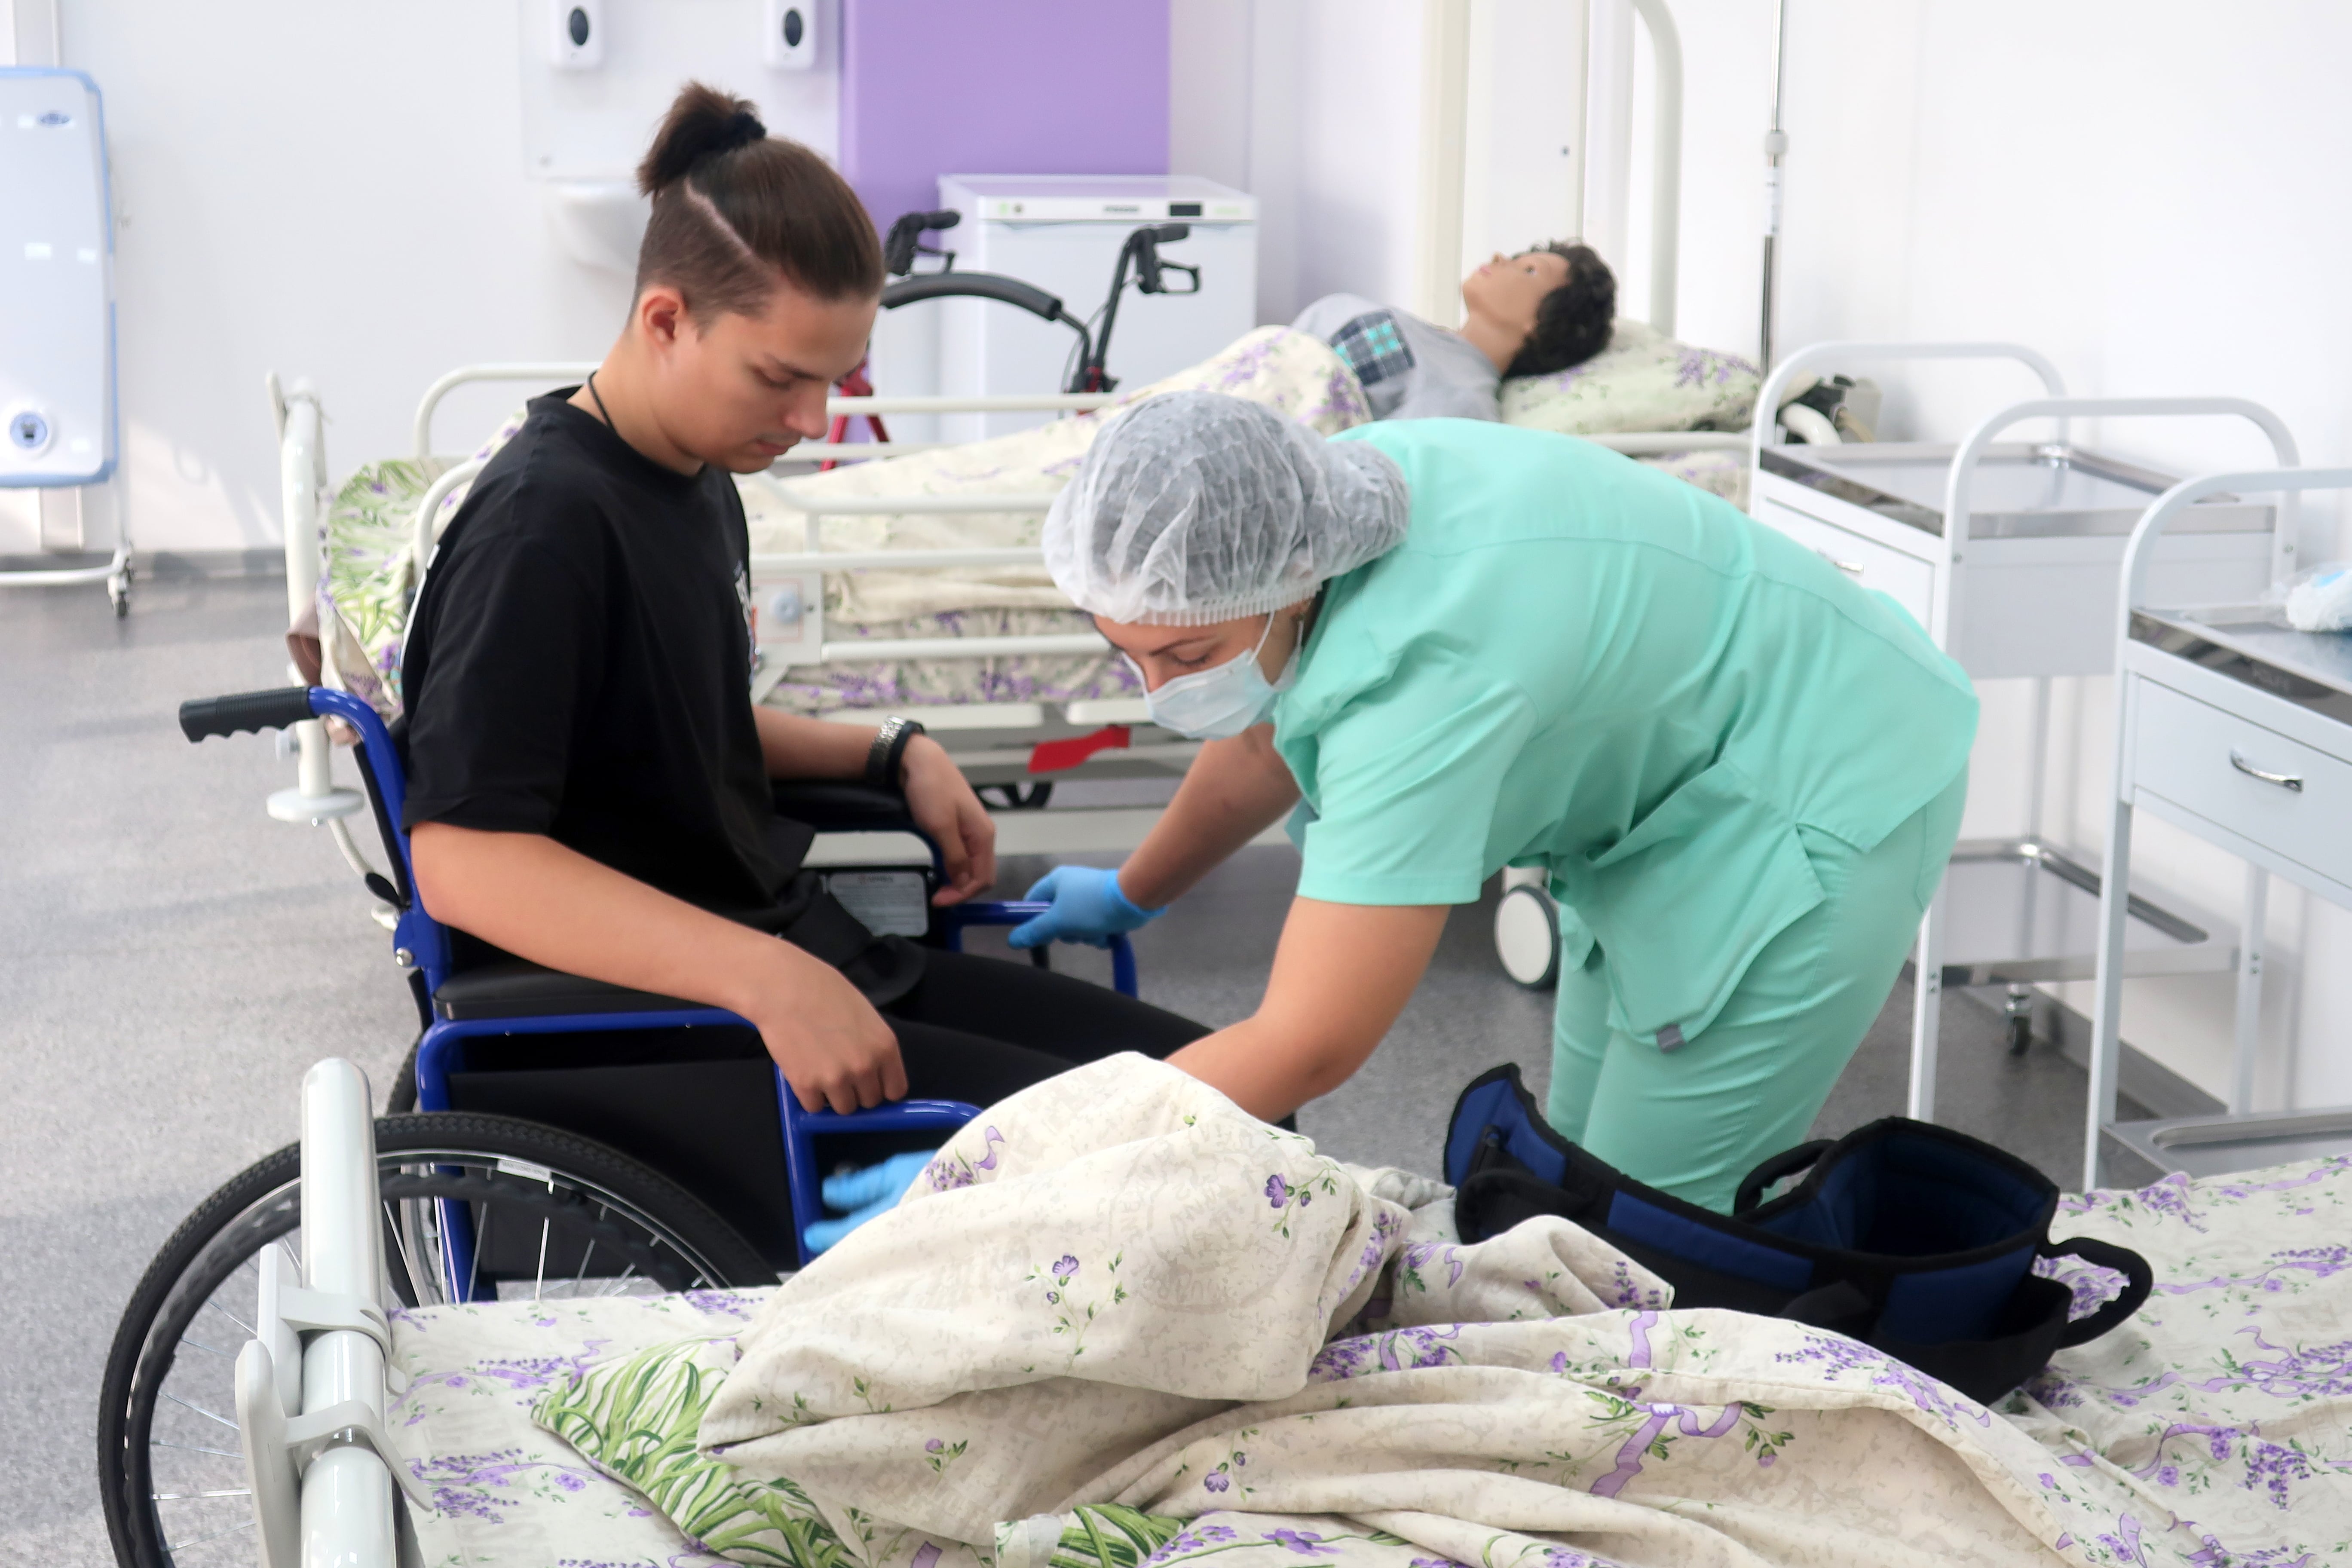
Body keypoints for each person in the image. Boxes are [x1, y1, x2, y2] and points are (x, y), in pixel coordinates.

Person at [398, 83, 1207, 1124]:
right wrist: (763, 979)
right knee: (1190, 1137)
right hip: (671, 1031)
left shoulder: (691, 481)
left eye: (833, 379)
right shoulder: (542, 527)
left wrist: (892, 749)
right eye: (781, 377)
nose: (814, 419)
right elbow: (465, 860)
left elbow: (683, 727)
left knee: (1225, 1092)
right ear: (665, 319)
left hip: (792, 957)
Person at [1008, 391, 1978, 1212]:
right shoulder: (1316, 504)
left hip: (1824, 781)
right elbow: (1266, 735)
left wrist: (1026, 1160)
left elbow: (1310, 1042)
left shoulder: (1423, 684)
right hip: (1670, 794)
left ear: (1292, 586)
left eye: (1187, 657)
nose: (1159, 693)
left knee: (1647, 1236)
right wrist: (1133, 891)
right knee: (1577, 1180)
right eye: (1126, 652)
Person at [1289, 242, 1614, 423]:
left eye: (1529, 270)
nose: (1500, 257)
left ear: (1543, 322)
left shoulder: (1465, 404)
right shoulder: (1418, 332)